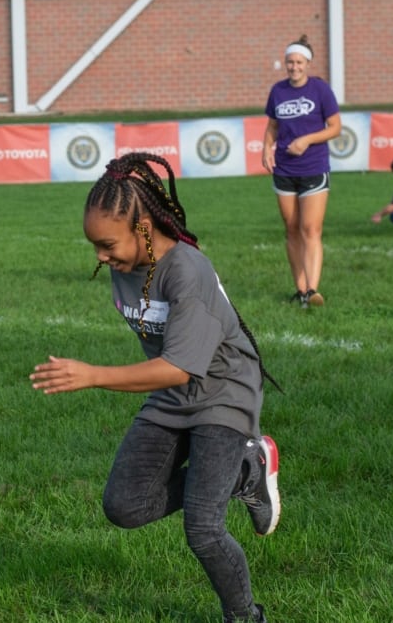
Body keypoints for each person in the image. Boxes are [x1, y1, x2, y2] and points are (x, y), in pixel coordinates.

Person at [29, 152, 282, 623]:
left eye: (107, 244)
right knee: (124, 505)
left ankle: (246, 616)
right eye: (94, 246)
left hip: (223, 394)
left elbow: (180, 367)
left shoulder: (187, 271)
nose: (100, 256)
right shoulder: (126, 267)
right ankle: (245, 472)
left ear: (143, 227)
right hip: (172, 396)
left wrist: (93, 375)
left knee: (203, 529)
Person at [261, 33, 342, 309]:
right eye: (290, 62)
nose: (294, 67)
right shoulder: (278, 91)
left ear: (308, 64)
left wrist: (307, 140)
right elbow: (272, 126)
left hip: (313, 167)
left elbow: (335, 127)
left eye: (299, 62)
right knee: (292, 229)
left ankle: (313, 289)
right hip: (284, 169)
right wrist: (266, 148)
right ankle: (300, 289)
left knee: (311, 229)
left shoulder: (320, 90)